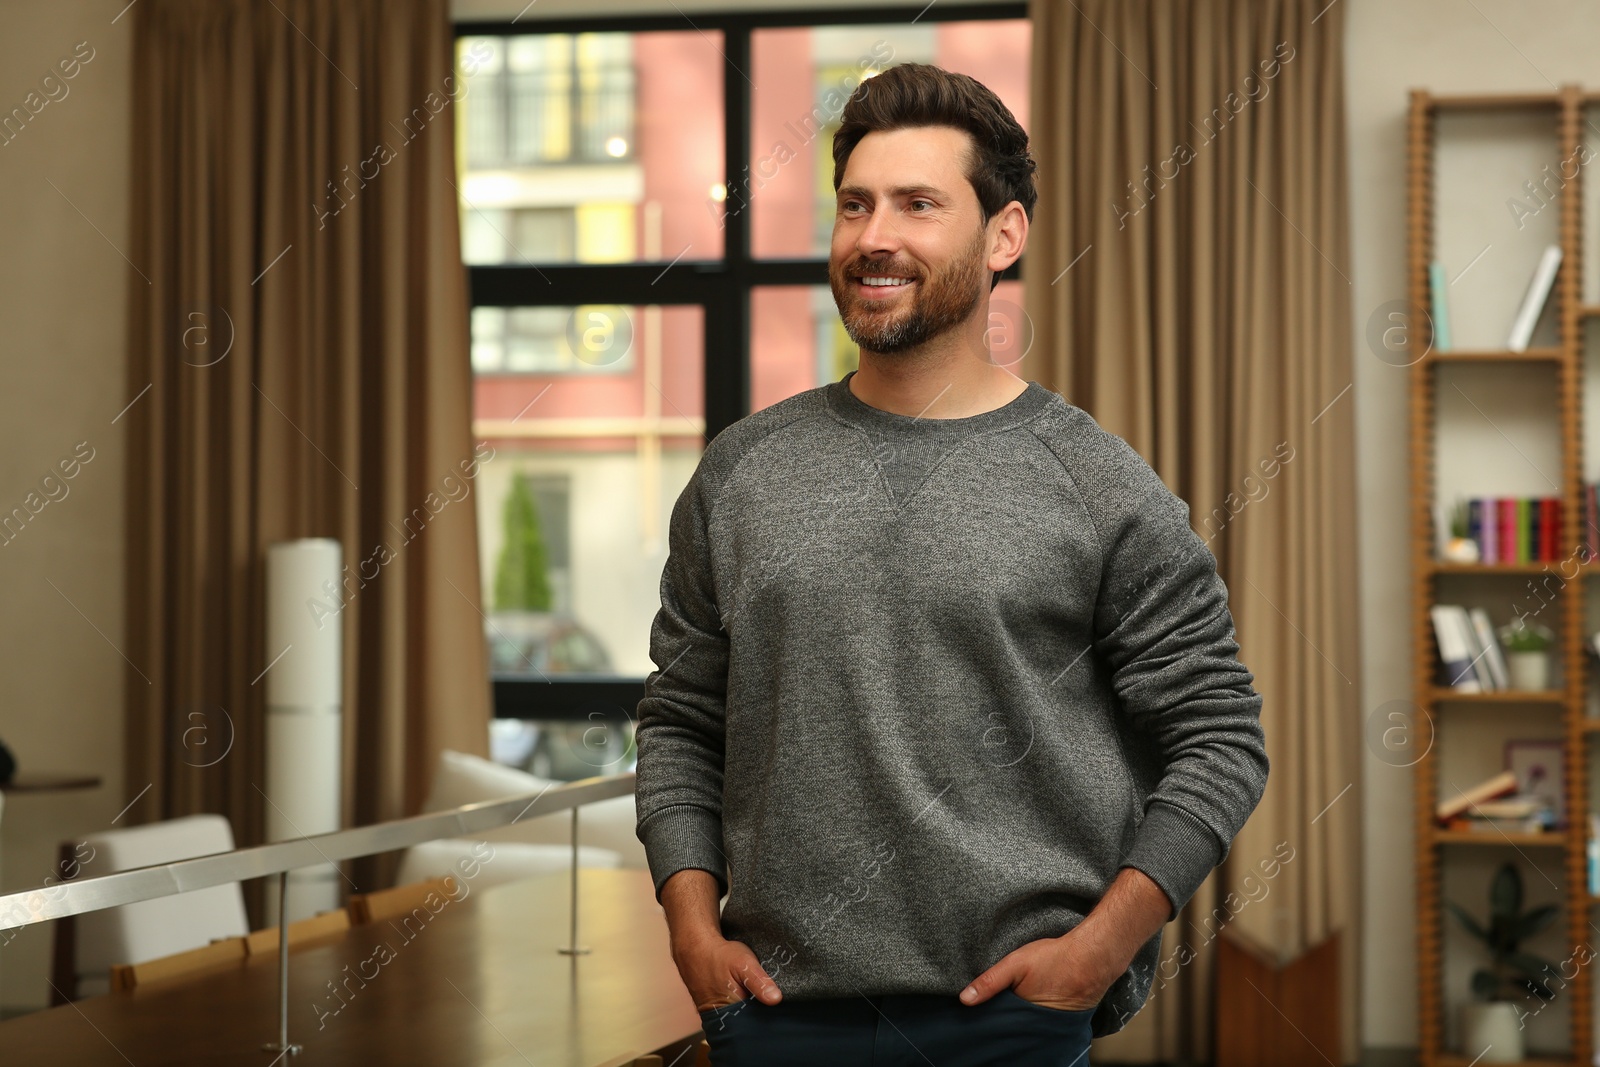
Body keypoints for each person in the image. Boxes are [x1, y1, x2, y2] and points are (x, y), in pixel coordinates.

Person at [634, 62, 1269, 1067]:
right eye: (853, 204)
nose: (872, 236)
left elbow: (1221, 737)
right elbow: (679, 719)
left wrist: (1096, 954)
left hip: (1007, 1026)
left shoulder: (1098, 485)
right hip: (769, 1017)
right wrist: (688, 924)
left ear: (1003, 235)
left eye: (918, 204)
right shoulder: (741, 472)